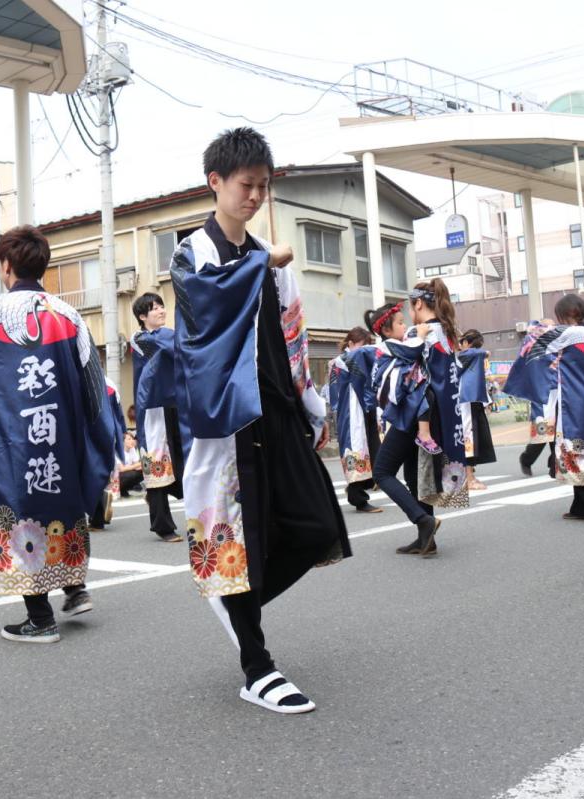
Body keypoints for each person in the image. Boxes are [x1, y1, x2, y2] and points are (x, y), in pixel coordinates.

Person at [169, 127, 349, 714]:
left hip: (278, 411)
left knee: (321, 526)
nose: (254, 197)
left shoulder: (271, 260)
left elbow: (293, 338)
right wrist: (259, 262)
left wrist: (312, 404)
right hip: (230, 420)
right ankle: (257, 665)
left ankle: (234, 601)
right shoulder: (194, 252)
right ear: (215, 182)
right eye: (246, 185)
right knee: (238, 536)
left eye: (263, 188)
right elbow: (208, 304)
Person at [0, 224, 116, 643]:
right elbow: (93, 389)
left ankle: (40, 618)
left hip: (9, 440)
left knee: (18, 512)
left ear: (5, 265)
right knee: (61, 509)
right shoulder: (69, 316)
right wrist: (100, 441)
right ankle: (74, 586)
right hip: (59, 441)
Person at [372, 280, 466, 557]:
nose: (408, 316)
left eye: (409, 307)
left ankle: (423, 520)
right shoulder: (448, 333)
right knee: (415, 475)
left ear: (419, 304)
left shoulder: (419, 332)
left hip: (416, 413)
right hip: (441, 414)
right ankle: (426, 538)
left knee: (382, 471)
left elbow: (406, 373)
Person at [508, 295, 584, 521]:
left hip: (574, 400)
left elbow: (532, 339)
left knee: (575, 450)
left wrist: (540, 325)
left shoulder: (567, 334)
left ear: (566, 315)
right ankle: (582, 505)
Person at [130, 291, 186, 542]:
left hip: (176, 406)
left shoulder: (168, 336)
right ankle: (163, 526)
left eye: (162, 306)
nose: (161, 310)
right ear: (142, 316)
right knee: (157, 467)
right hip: (152, 410)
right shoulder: (141, 339)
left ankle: (154, 495)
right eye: (154, 308)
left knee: (184, 462)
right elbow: (178, 347)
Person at [328, 325, 382, 513]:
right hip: (352, 411)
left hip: (363, 408)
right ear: (350, 344)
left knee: (370, 449)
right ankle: (358, 498)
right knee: (356, 449)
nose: (365, 349)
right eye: (362, 345)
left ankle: (359, 486)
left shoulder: (347, 359)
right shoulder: (344, 360)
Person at [516, 320, 557, 477]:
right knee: (542, 433)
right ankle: (526, 459)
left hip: (557, 389)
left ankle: (554, 464)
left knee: (558, 432)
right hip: (541, 391)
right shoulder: (532, 341)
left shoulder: (557, 341)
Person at [457, 329, 495, 491]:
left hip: (471, 399)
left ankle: (469, 475)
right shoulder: (466, 355)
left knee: (473, 438)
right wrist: (483, 352)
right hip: (465, 400)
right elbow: (475, 353)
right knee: (468, 439)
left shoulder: (469, 355)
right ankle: (468, 478)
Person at [90, 378, 128, 531]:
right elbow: (118, 410)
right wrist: (123, 431)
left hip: (89, 432)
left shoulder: (83, 378)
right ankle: (103, 498)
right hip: (109, 431)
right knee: (104, 469)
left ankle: (97, 517)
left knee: (90, 473)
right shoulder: (110, 384)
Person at [118, 431, 145, 496]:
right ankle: (121, 489)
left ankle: (124, 490)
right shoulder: (118, 451)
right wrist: (139, 464)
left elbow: (137, 465)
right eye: (129, 439)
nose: (132, 441)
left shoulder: (132, 449)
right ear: (123, 442)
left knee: (144, 471)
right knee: (133, 474)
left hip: (127, 473)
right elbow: (121, 469)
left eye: (132, 439)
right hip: (117, 477)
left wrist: (145, 466)